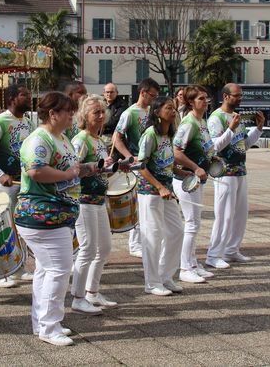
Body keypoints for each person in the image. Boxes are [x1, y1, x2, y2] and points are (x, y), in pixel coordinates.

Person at [14, 91, 88, 346]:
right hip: (42, 214)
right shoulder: (39, 139)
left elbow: (70, 169)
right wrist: (67, 175)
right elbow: (35, 171)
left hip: (56, 214)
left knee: (46, 271)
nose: (71, 115)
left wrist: (88, 169)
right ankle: (49, 326)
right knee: (59, 269)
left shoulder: (62, 138)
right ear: (52, 113)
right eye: (67, 111)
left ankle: (42, 322)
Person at [0, 83, 35, 288]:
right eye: (23, 95)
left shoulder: (28, 122)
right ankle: (1, 273)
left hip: (23, 182)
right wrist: (0, 174)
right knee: (3, 228)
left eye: (28, 94)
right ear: (11, 98)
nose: (29, 97)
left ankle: (18, 268)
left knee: (20, 226)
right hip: (3, 185)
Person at [205, 83, 264, 270]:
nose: (240, 98)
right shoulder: (216, 118)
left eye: (241, 95)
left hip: (240, 169)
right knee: (224, 215)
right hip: (224, 171)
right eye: (236, 96)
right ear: (225, 96)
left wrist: (259, 128)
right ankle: (214, 254)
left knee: (240, 214)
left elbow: (244, 144)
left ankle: (231, 249)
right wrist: (231, 128)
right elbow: (216, 146)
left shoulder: (237, 118)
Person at [70, 94, 118, 314]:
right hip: (84, 199)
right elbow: (73, 170)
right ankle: (77, 297)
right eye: (95, 112)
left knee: (105, 248)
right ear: (84, 116)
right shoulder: (81, 140)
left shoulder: (99, 140)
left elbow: (99, 168)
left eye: (102, 112)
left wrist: (113, 166)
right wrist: (98, 166)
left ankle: (92, 291)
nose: (100, 116)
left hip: (99, 200)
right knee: (88, 248)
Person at [136, 96, 184, 296]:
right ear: (157, 112)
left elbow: (168, 164)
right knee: (153, 236)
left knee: (176, 231)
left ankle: (166, 276)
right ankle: (152, 282)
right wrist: (159, 187)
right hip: (150, 193)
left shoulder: (168, 135)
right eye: (169, 108)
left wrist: (182, 173)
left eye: (174, 108)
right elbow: (141, 166)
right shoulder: (150, 135)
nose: (173, 112)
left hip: (166, 191)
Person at [113, 77, 160, 258]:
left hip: (150, 163)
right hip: (136, 165)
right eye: (152, 96)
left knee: (147, 204)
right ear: (142, 93)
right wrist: (128, 157)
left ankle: (144, 241)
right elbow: (117, 138)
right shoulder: (129, 113)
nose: (154, 99)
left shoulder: (152, 112)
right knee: (138, 204)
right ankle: (134, 244)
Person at [173, 85, 214, 284]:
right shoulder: (188, 123)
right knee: (190, 224)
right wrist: (195, 167)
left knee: (195, 224)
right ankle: (184, 268)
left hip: (198, 178)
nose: (205, 102)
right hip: (186, 180)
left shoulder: (201, 121)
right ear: (190, 102)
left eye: (206, 98)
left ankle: (193, 263)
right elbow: (176, 152)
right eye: (200, 99)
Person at [101, 83, 125, 147]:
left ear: (116, 93)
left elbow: (114, 121)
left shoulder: (122, 105)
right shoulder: (100, 104)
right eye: (107, 92)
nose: (109, 94)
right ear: (104, 93)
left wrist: (101, 125)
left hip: (113, 136)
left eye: (111, 92)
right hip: (100, 135)